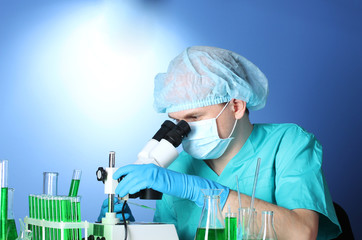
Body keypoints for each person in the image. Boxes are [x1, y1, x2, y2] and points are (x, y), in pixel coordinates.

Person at [102, 46, 341, 239]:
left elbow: (301, 233)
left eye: (194, 117)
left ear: (236, 106)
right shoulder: (176, 167)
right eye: (177, 121)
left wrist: (199, 191)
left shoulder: (288, 143)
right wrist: (131, 232)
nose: (184, 130)